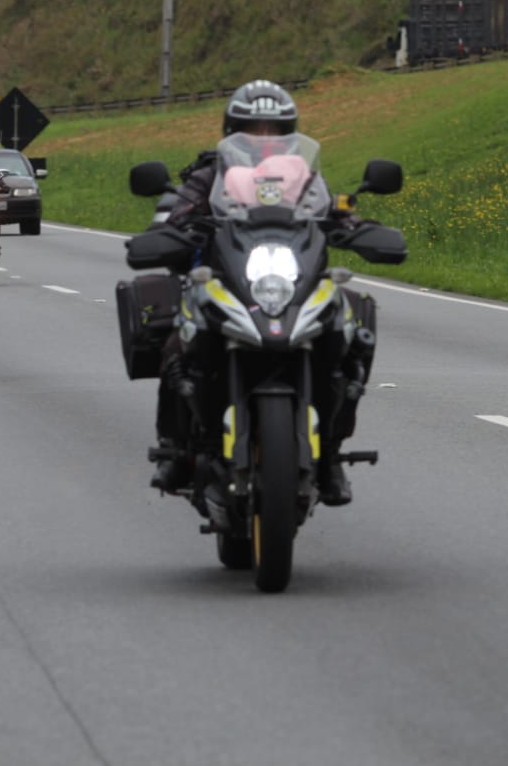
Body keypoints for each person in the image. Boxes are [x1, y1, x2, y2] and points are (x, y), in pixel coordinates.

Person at [146, 79, 380, 507]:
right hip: (226, 281)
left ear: (290, 134)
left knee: (354, 331)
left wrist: (357, 228)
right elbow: (177, 215)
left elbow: (334, 212)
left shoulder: (306, 178)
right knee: (177, 343)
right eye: (253, 129)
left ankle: (330, 454)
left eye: (274, 130)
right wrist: (174, 230)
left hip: (295, 282)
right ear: (232, 132)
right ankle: (176, 449)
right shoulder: (207, 176)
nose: (263, 138)